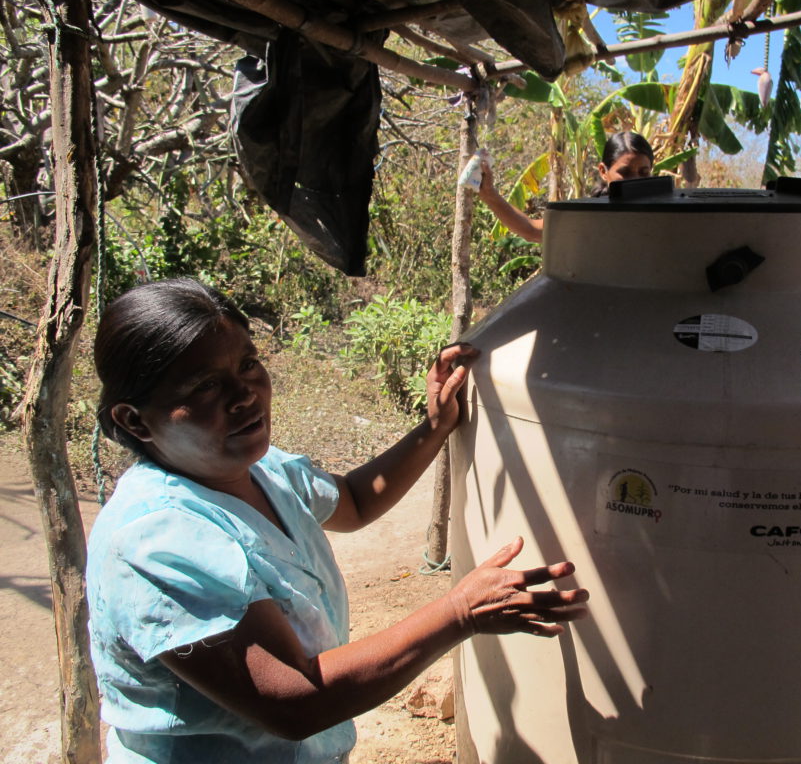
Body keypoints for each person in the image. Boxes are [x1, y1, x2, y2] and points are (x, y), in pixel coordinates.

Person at [85, 278, 589, 763]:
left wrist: (434, 426)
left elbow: (352, 500)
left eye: (249, 363)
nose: (245, 394)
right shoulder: (155, 540)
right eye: (206, 386)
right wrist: (459, 613)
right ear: (134, 420)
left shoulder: (263, 471)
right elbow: (295, 700)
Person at [477, 130, 656, 243]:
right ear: (603, 171)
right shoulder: (589, 215)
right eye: (624, 172)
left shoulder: (666, 213)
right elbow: (532, 230)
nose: (634, 180)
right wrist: (490, 195)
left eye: (643, 172)